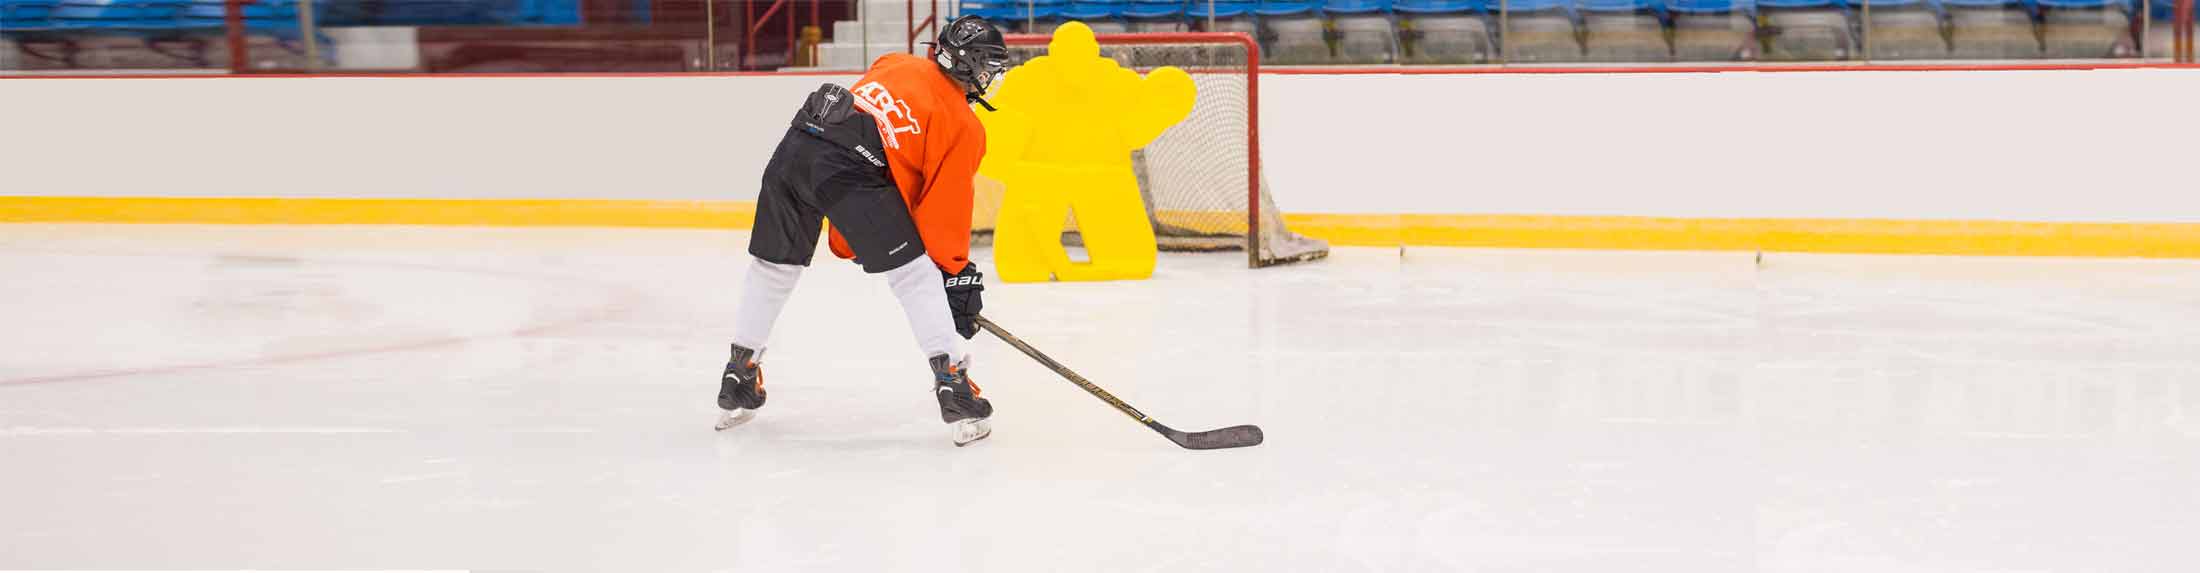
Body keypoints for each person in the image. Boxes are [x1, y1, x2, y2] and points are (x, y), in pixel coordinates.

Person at [715, 15, 1011, 447]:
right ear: (971, 65)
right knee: (914, 275)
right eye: (990, 67)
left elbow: (882, 136)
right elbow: (943, 210)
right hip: (847, 169)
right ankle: (955, 387)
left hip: (795, 147)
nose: (992, 77)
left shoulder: (896, 62)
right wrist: (954, 274)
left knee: (773, 267)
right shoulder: (965, 127)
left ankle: (739, 375)